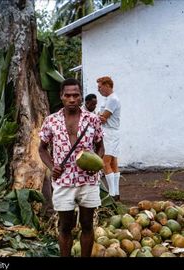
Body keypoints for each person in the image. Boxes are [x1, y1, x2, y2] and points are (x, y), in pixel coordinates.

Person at [38, 78, 104, 257]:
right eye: (68, 95)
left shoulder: (93, 120)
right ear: (61, 97)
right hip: (63, 181)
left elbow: (100, 145)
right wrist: (52, 167)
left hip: (88, 180)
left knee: (87, 224)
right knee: (65, 226)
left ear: (81, 97)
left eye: (76, 95)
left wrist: (97, 163)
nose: (72, 99)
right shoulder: (51, 121)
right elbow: (42, 149)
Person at [97, 76, 121, 201]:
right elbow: (101, 116)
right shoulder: (108, 99)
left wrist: (99, 116)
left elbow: (103, 117)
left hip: (109, 132)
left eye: (100, 87)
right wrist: (100, 116)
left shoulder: (112, 99)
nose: (98, 89)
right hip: (111, 132)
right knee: (113, 162)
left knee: (105, 162)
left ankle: (111, 195)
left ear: (107, 85)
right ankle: (116, 193)